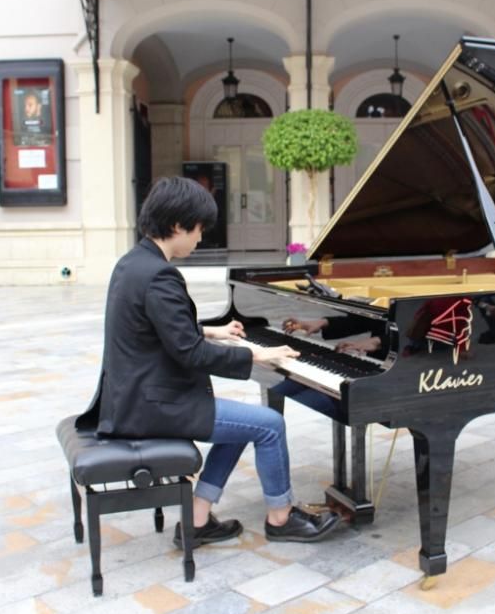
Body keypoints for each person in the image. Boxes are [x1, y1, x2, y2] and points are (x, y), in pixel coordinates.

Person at [77, 176, 339, 548]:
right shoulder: (160, 276)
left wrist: (211, 330)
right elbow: (190, 354)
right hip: (153, 406)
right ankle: (281, 518)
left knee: (242, 422)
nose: (200, 239)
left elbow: (156, 327)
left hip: (133, 398)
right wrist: (255, 353)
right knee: (269, 424)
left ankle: (197, 520)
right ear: (177, 225)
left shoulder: (133, 263)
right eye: (198, 229)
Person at [269, 316, 386, 419]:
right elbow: (366, 321)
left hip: (384, 377)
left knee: (295, 408)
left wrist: (380, 342)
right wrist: (324, 322)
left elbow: (404, 334)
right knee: (277, 396)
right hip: (347, 369)